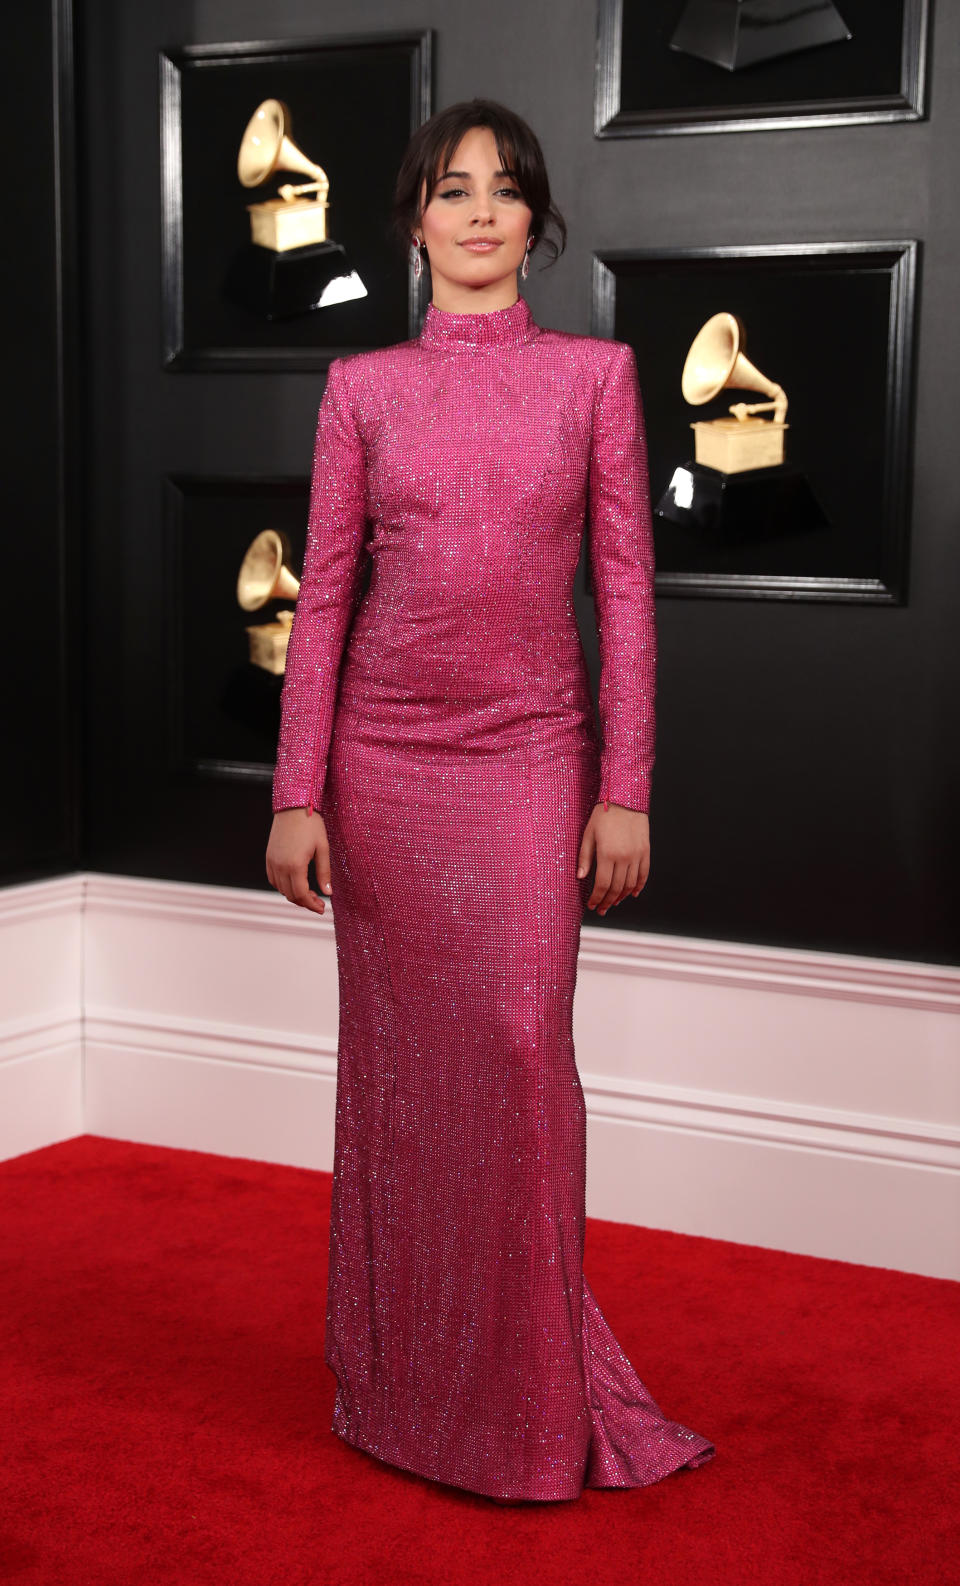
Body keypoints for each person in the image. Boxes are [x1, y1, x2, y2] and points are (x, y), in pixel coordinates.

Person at [265, 98, 715, 1504]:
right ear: (412, 220)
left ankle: (523, 1413)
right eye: (451, 189)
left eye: (504, 191)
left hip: (530, 756)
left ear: (536, 223)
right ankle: (400, 1389)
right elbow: (322, 596)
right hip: (382, 766)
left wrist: (623, 787)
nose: (476, 212)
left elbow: (628, 596)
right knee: (401, 1088)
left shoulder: (596, 375)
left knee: (520, 1057)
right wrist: (297, 793)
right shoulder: (365, 391)